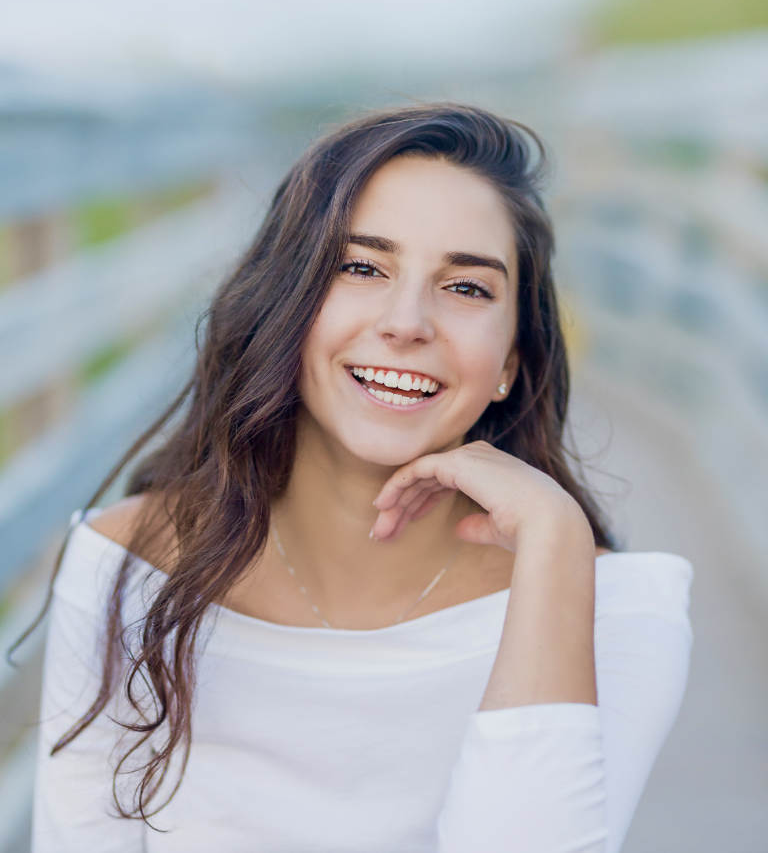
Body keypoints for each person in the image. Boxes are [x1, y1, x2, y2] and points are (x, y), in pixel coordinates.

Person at [31, 104, 692, 852]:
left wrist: (553, 541)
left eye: (467, 288)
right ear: (285, 304)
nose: (407, 322)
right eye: (361, 267)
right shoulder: (127, 565)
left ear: (510, 360)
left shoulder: (617, 609)